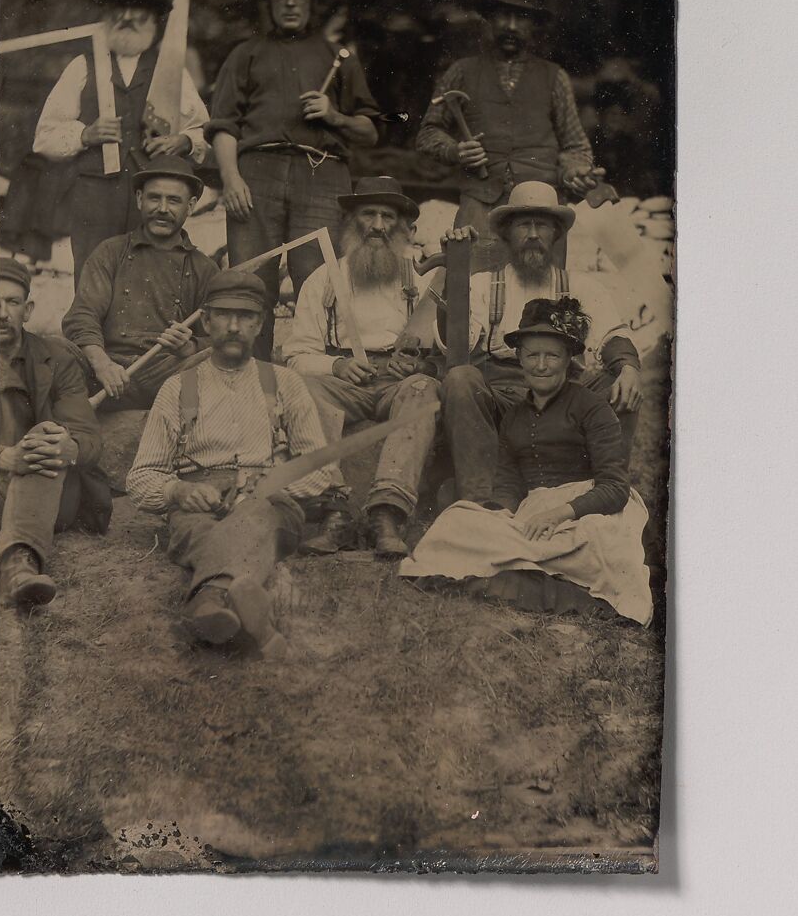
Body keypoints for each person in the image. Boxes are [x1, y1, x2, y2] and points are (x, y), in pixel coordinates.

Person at [126, 271, 345, 659]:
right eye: (223, 316)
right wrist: (179, 490)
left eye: (245, 317)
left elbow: (320, 467)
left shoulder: (285, 383)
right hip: (201, 499)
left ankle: (209, 599)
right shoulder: (178, 388)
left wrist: (269, 487)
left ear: (260, 324)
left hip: (272, 499)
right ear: (206, 321)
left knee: (256, 516)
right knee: (200, 527)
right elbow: (141, 477)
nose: (233, 326)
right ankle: (243, 612)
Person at [401, 297, 653, 627]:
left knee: (599, 541)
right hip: (532, 511)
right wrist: (497, 513)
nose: (541, 365)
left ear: (568, 359)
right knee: (456, 521)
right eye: (533, 355)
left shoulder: (591, 407)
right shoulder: (515, 417)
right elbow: (508, 482)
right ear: (519, 358)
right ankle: (528, 570)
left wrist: (561, 512)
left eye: (552, 355)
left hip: (588, 509)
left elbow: (616, 488)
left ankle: (540, 579)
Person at [205, 0, 381, 358]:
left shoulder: (340, 59)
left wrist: (333, 114)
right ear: (267, 1)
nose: (289, 2)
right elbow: (223, 125)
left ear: (312, 2)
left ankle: (317, 377)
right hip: (256, 176)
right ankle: (250, 376)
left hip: (322, 176)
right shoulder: (244, 54)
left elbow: (370, 130)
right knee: (249, 283)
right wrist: (231, 179)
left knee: (319, 283)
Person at [440, 182, 643, 506]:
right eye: (524, 224)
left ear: (556, 233)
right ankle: (479, 506)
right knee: (461, 379)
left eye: (542, 225)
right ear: (506, 233)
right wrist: (456, 273)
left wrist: (629, 368)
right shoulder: (483, 284)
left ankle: (602, 497)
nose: (533, 234)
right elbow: (457, 343)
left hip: (565, 395)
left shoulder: (580, 284)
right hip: (502, 397)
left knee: (619, 384)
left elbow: (611, 333)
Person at [283, 176, 440, 558]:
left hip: (396, 384)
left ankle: (385, 515)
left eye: (388, 216)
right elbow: (295, 356)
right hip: (344, 382)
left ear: (402, 228)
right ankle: (335, 513)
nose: (378, 226)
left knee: (423, 391)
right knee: (303, 388)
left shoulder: (418, 282)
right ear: (351, 221)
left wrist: (417, 362)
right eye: (368, 214)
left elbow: (440, 346)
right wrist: (335, 366)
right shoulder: (324, 279)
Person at [32, 0, 209, 283]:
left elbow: (200, 133)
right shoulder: (82, 66)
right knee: (93, 275)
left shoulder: (170, 71)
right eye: (119, 8)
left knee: (148, 274)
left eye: (138, 9)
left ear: (154, 19)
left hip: (152, 191)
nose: (127, 17)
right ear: (106, 16)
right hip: (94, 194)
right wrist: (86, 134)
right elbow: (44, 137)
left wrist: (182, 142)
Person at [416, 0, 595, 257]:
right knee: (470, 284)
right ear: (489, 19)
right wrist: (455, 151)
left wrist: (575, 170)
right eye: (503, 16)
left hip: (541, 208)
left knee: (543, 295)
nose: (511, 26)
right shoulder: (461, 71)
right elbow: (428, 133)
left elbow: (576, 146)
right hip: (480, 204)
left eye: (521, 18)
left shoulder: (555, 77)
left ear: (534, 25)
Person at [62, 155, 219, 411]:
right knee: (54, 351)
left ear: (190, 207)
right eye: (154, 198)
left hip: (170, 374)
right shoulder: (110, 252)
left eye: (174, 201)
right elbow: (82, 315)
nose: (163, 209)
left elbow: (219, 338)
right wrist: (102, 364)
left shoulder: (205, 269)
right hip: (108, 372)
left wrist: (189, 347)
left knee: (218, 364)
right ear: (139, 199)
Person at [0, 258, 104, 608]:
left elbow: (89, 439)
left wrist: (66, 446)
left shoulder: (57, 358)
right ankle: (16, 563)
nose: (0, 313)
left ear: (27, 310)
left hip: (47, 490)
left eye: (12, 303)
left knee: (47, 435)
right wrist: (3, 455)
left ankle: (19, 565)